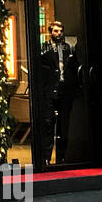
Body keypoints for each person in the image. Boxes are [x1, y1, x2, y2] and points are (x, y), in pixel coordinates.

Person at [36, 20, 80, 168]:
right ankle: (46, 158)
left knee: (63, 126)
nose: (58, 33)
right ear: (50, 32)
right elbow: (41, 71)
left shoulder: (68, 48)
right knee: (48, 124)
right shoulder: (45, 48)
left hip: (64, 90)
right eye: (55, 31)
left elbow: (74, 69)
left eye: (60, 31)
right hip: (50, 91)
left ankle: (61, 157)